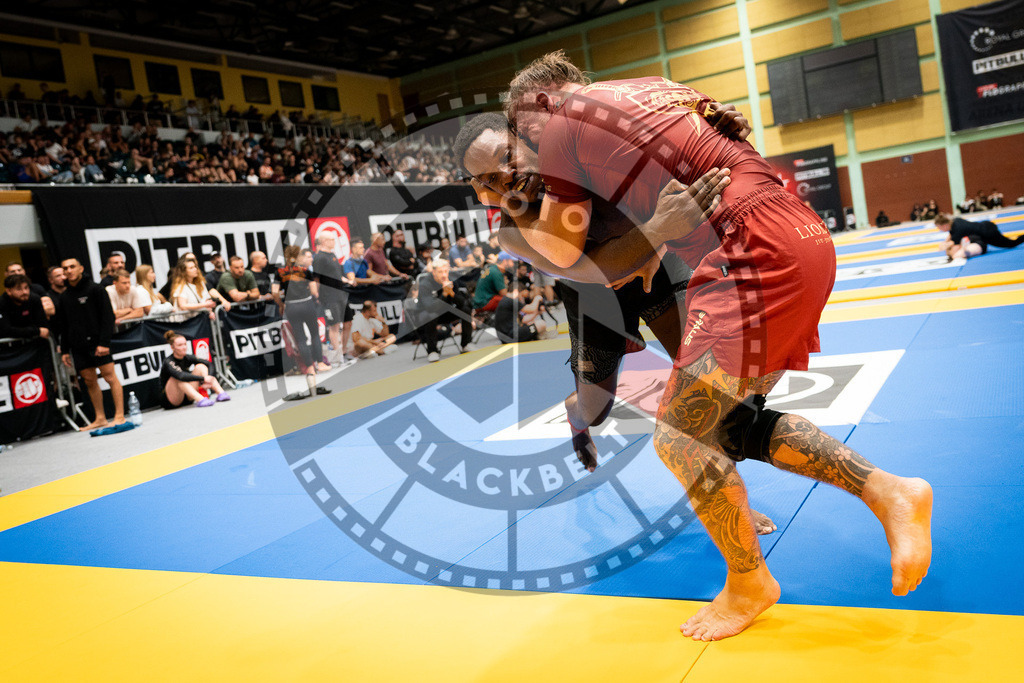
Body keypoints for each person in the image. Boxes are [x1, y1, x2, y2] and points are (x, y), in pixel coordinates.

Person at [504, 51, 932, 639]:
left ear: (546, 104)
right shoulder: (651, 89)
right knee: (707, 419)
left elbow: (564, 248)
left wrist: (632, 221)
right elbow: (573, 259)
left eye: (528, 131)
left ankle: (752, 579)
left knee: (684, 431)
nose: (528, 144)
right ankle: (887, 492)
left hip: (724, 253)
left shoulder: (560, 128)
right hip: (779, 233)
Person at [456, 111, 777, 536]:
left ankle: (728, 498)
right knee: (597, 407)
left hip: (661, 261)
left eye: (506, 157)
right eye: (492, 179)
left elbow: (665, 139)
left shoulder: (578, 148)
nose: (507, 177)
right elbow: (599, 272)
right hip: (595, 290)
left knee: (708, 378)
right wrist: (656, 234)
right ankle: (577, 414)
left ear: (525, 139)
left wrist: (714, 124)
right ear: (484, 191)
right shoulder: (512, 232)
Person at [55, 258, 125, 430]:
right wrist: (64, 350)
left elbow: (108, 318)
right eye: (65, 268)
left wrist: (104, 343)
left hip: (98, 344)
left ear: (81, 268)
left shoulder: (96, 289)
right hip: (78, 346)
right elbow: (64, 326)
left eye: (72, 267)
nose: (69, 270)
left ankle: (119, 415)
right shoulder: (64, 297)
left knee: (110, 377)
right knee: (89, 381)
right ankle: (100, 418)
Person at [278, 245, 332, 397]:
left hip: (291, 306)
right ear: (299, 257)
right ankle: (320, 363)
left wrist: (281, 304)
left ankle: (309, 367)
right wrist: (316, 298)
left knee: (300, 337)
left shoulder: (281, 272)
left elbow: (275, 292)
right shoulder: (305, 271)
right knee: (314, 334)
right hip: (306, 303)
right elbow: (314, 292)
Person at [415, 258, 474, 361]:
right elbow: (430, 307)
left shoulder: (451, 280)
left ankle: (466, 344)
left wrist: (452, 293)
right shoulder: (425, 284)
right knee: (430, 315)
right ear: (434, 272)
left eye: (446, 271)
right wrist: (444, 294)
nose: (444, 275)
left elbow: (462, 302)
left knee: (465, 309)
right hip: (427, 315)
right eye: (440, 272)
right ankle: (432, 351)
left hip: (445, 312)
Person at [159, 330, 229, 408]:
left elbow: (208, 363)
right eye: (180, 345)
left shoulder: (188, 357)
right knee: (177, 378)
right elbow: (181, 376)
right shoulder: (168, 361)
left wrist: (205, 380)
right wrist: (203, 378)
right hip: (172, 400)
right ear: (172, 347)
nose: (184, 347)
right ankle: (201, 399)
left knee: (200, 366)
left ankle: (221, 393)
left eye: (185, 344)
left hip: (188, 396)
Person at [313, 233, 350, 364]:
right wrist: (316, 295)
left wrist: (348, 280)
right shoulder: (319, 258)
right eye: (331, 240)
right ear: (324, 241)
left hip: (340, 294)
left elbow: (337, 274)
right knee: (334, 326)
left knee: (347, 322)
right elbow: (316, 278)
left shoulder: (332, 255)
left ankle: (344, 351)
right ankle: (338, 357)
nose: (334, 242)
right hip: (328, 296)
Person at [935, 213, 1023, 251]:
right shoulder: (955, 221)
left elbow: (953, 244)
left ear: (945, 225)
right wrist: (945, 242)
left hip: (988, 233)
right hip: (987, 224)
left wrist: (943, 246)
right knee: (1009, 241)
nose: (940, 230)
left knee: (1011, 244)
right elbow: (951, 234)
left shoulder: (957, 232)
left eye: (940, 227)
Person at [0, 274, 49, 341]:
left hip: (35, 342)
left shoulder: (34, 299)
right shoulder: (2, 303)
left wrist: (35, 331)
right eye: (19, 289)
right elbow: (5, 331)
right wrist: (36, 331)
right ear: (9, 291)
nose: (24, 292)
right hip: (9, 345)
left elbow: (43, 327)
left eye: (26, 288)